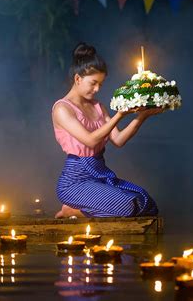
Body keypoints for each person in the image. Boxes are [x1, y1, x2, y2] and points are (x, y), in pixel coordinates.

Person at [52, 42, 161, 218]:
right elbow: (90, 140)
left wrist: (142, 117)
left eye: (100, 85)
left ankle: (83, 209)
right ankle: (73, 210)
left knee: (145, 202)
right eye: (93, 83)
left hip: (99, 172)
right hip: (75, 181)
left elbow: (118, 140)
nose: (97, 89)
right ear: (78, 79)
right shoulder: (62, 109)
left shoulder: (97, 106)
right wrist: (119, 115)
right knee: (127, 208)